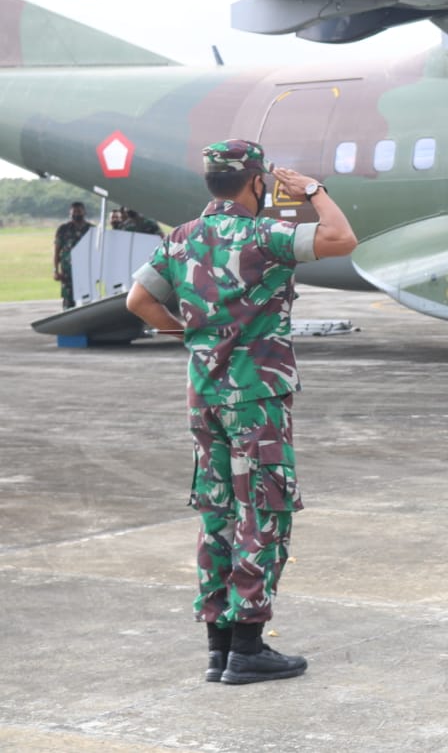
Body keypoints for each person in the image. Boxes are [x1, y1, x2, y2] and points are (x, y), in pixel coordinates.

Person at [126, 139, 358, 684]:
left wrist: (195, 335)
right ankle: (250, 645)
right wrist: (314, 191)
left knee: (218, 515)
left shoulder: (181, 240)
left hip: (204, 396)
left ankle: (219, 647)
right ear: (257, 183)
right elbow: (342, 237)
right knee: (265, 511)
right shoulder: (262, 236)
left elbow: (139, 301)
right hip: (256, 398)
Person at [53, 201, 94, 309]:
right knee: (68, 304)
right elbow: (57, 252)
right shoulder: (63, 229)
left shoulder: (92, 229)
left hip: (86, 274)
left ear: (84, 212)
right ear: (70, 213)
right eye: (74, 212)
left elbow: (97, 252)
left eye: (79, 211)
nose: (76, 214)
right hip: (67, 275)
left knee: (87, 304)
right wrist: (55, 271)